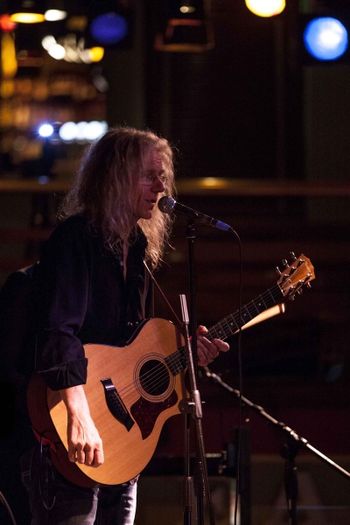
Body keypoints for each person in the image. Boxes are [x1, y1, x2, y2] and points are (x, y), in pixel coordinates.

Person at [21, 126, 229, 525]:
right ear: (114, 177)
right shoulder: (75, 239)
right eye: (149, 175)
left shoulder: (136, 249)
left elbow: (130, 345)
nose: (160, 187)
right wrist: (79, 416)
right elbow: (57, 332)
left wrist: (185, 356)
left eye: (163, 176)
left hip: (122, 436)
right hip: (73, 422)